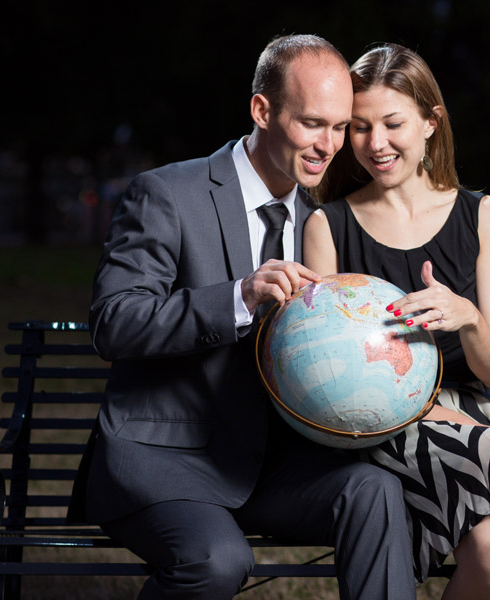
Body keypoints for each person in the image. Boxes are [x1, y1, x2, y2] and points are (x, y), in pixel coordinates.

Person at [68, 35, 416, 600]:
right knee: (218, 560)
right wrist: (238, 297)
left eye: (338, 126)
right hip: (165, 460)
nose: (328, 145)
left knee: (373, 491)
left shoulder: (322, 220)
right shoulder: (166, 194)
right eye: (311, 123)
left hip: (266, 465)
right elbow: (114, 322)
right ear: (262, 110)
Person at [304, 44, 490, 600]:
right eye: (359, 128)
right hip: (381, 419)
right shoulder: (327, 226)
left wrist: (469, 317)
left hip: (477, 410)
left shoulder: (486, 217)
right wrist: (423, 407)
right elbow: (324, 372)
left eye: (392, 123)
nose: (375, 144)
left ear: (432, 123)